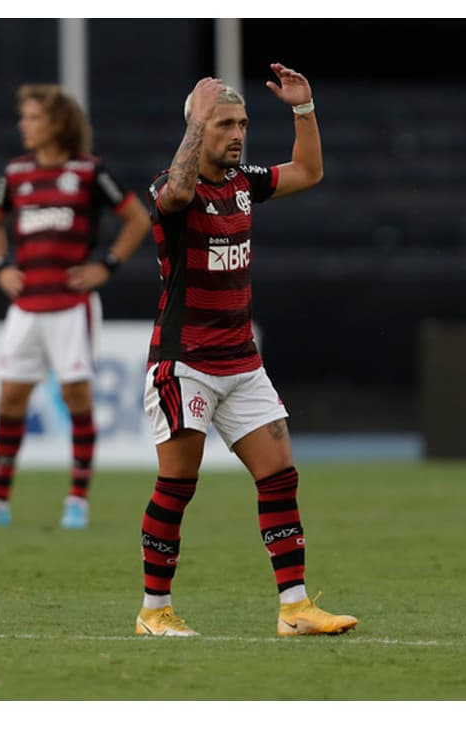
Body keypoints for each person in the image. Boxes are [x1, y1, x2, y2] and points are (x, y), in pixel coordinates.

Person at [135, 64, 358, 637]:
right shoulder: (169, 187)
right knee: (179, 485)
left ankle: (295, 608)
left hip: (241, 361)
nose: (237, 134)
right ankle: (153, 611)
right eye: (224, 124)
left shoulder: (243, 182)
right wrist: (195, 120)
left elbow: (309, 170)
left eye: (242, 123)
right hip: (185, 363)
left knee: (279, 475)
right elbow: (180, 191)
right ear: (198, 131)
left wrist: (303, 108)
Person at [0, 83, 151, 530]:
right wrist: (1, 266)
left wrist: (108, 265)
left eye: (33, 117)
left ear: (57, 123)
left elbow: (138, 217)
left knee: (74, 395)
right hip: (26, 305)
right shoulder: (16, 173)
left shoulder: (88, 171)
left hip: (70, 305)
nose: (24, 124)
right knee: (10, 397)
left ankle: (77, 499)